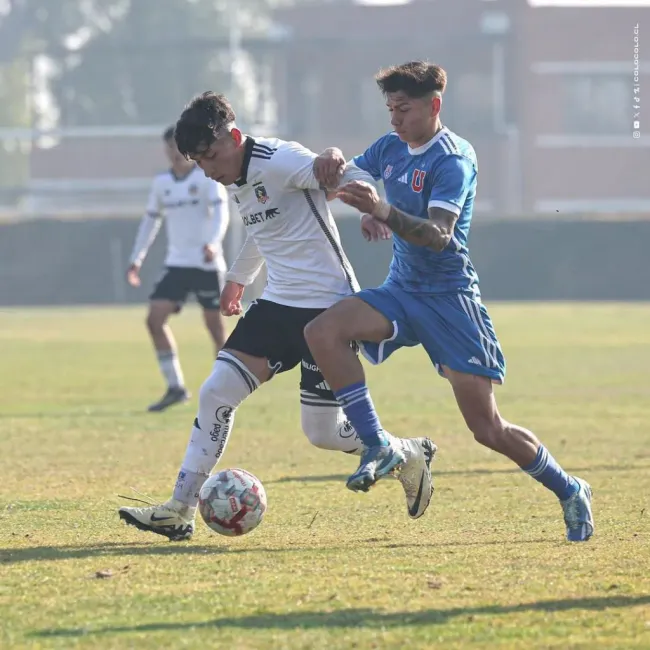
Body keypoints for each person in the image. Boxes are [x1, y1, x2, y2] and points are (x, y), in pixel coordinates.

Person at [118, 92, 436, 541]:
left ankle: (407, 452)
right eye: (198, 161)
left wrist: (368, 208)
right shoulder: (234, 175)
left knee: (322, 433)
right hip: (277, 303)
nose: (207, 170)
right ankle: (179, 509)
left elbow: (350, 172)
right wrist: (237, 278)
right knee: (215, 392)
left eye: (209, 156)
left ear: (232, 136)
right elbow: (262, 227)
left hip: (326, 309)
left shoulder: (280, 159)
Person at [304, 61, 594, 542]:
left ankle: (569, 488)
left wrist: (381, 211)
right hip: (401, 291)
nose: (395, 119)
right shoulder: (390, 146)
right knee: (322, 331)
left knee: (487, 428)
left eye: (405, 109)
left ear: (434, 106)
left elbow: (438, 235)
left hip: (450, 300)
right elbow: (345, 177)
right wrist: (338, 163)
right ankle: (378, 444)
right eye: (390, 109)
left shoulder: (453, 158)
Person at [127, 126, 230, 412]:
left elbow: (221, 213)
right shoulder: (162, 183)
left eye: (176, 147)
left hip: (205, 264)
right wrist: (137, 258)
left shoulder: (206, 177)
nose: (173, 153)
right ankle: (175, 387)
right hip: (177, 264)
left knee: (215, 328)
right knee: (154, 320)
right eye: (168, 148)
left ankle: (225, 390)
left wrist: (212, 243)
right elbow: (151, 222)